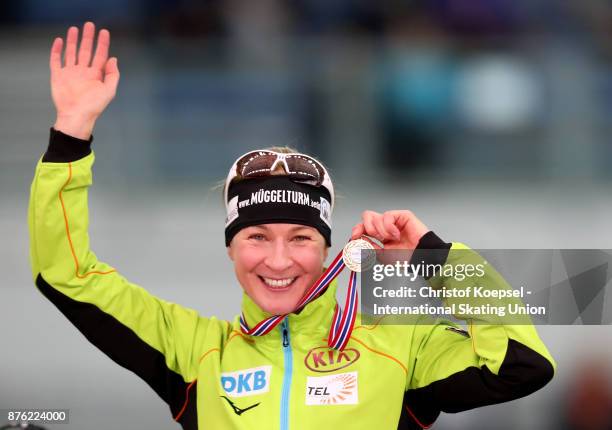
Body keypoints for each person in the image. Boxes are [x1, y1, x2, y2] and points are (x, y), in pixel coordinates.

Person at [28, 22, 556, 430]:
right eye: (257, 237)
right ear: (231, 248)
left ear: (327, 250)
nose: (278, 261)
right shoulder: (192, 350)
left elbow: (523, 363)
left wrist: (435, 259)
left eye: (301, 238)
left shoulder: (400, 346)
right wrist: (70, 137)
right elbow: (65, 274)